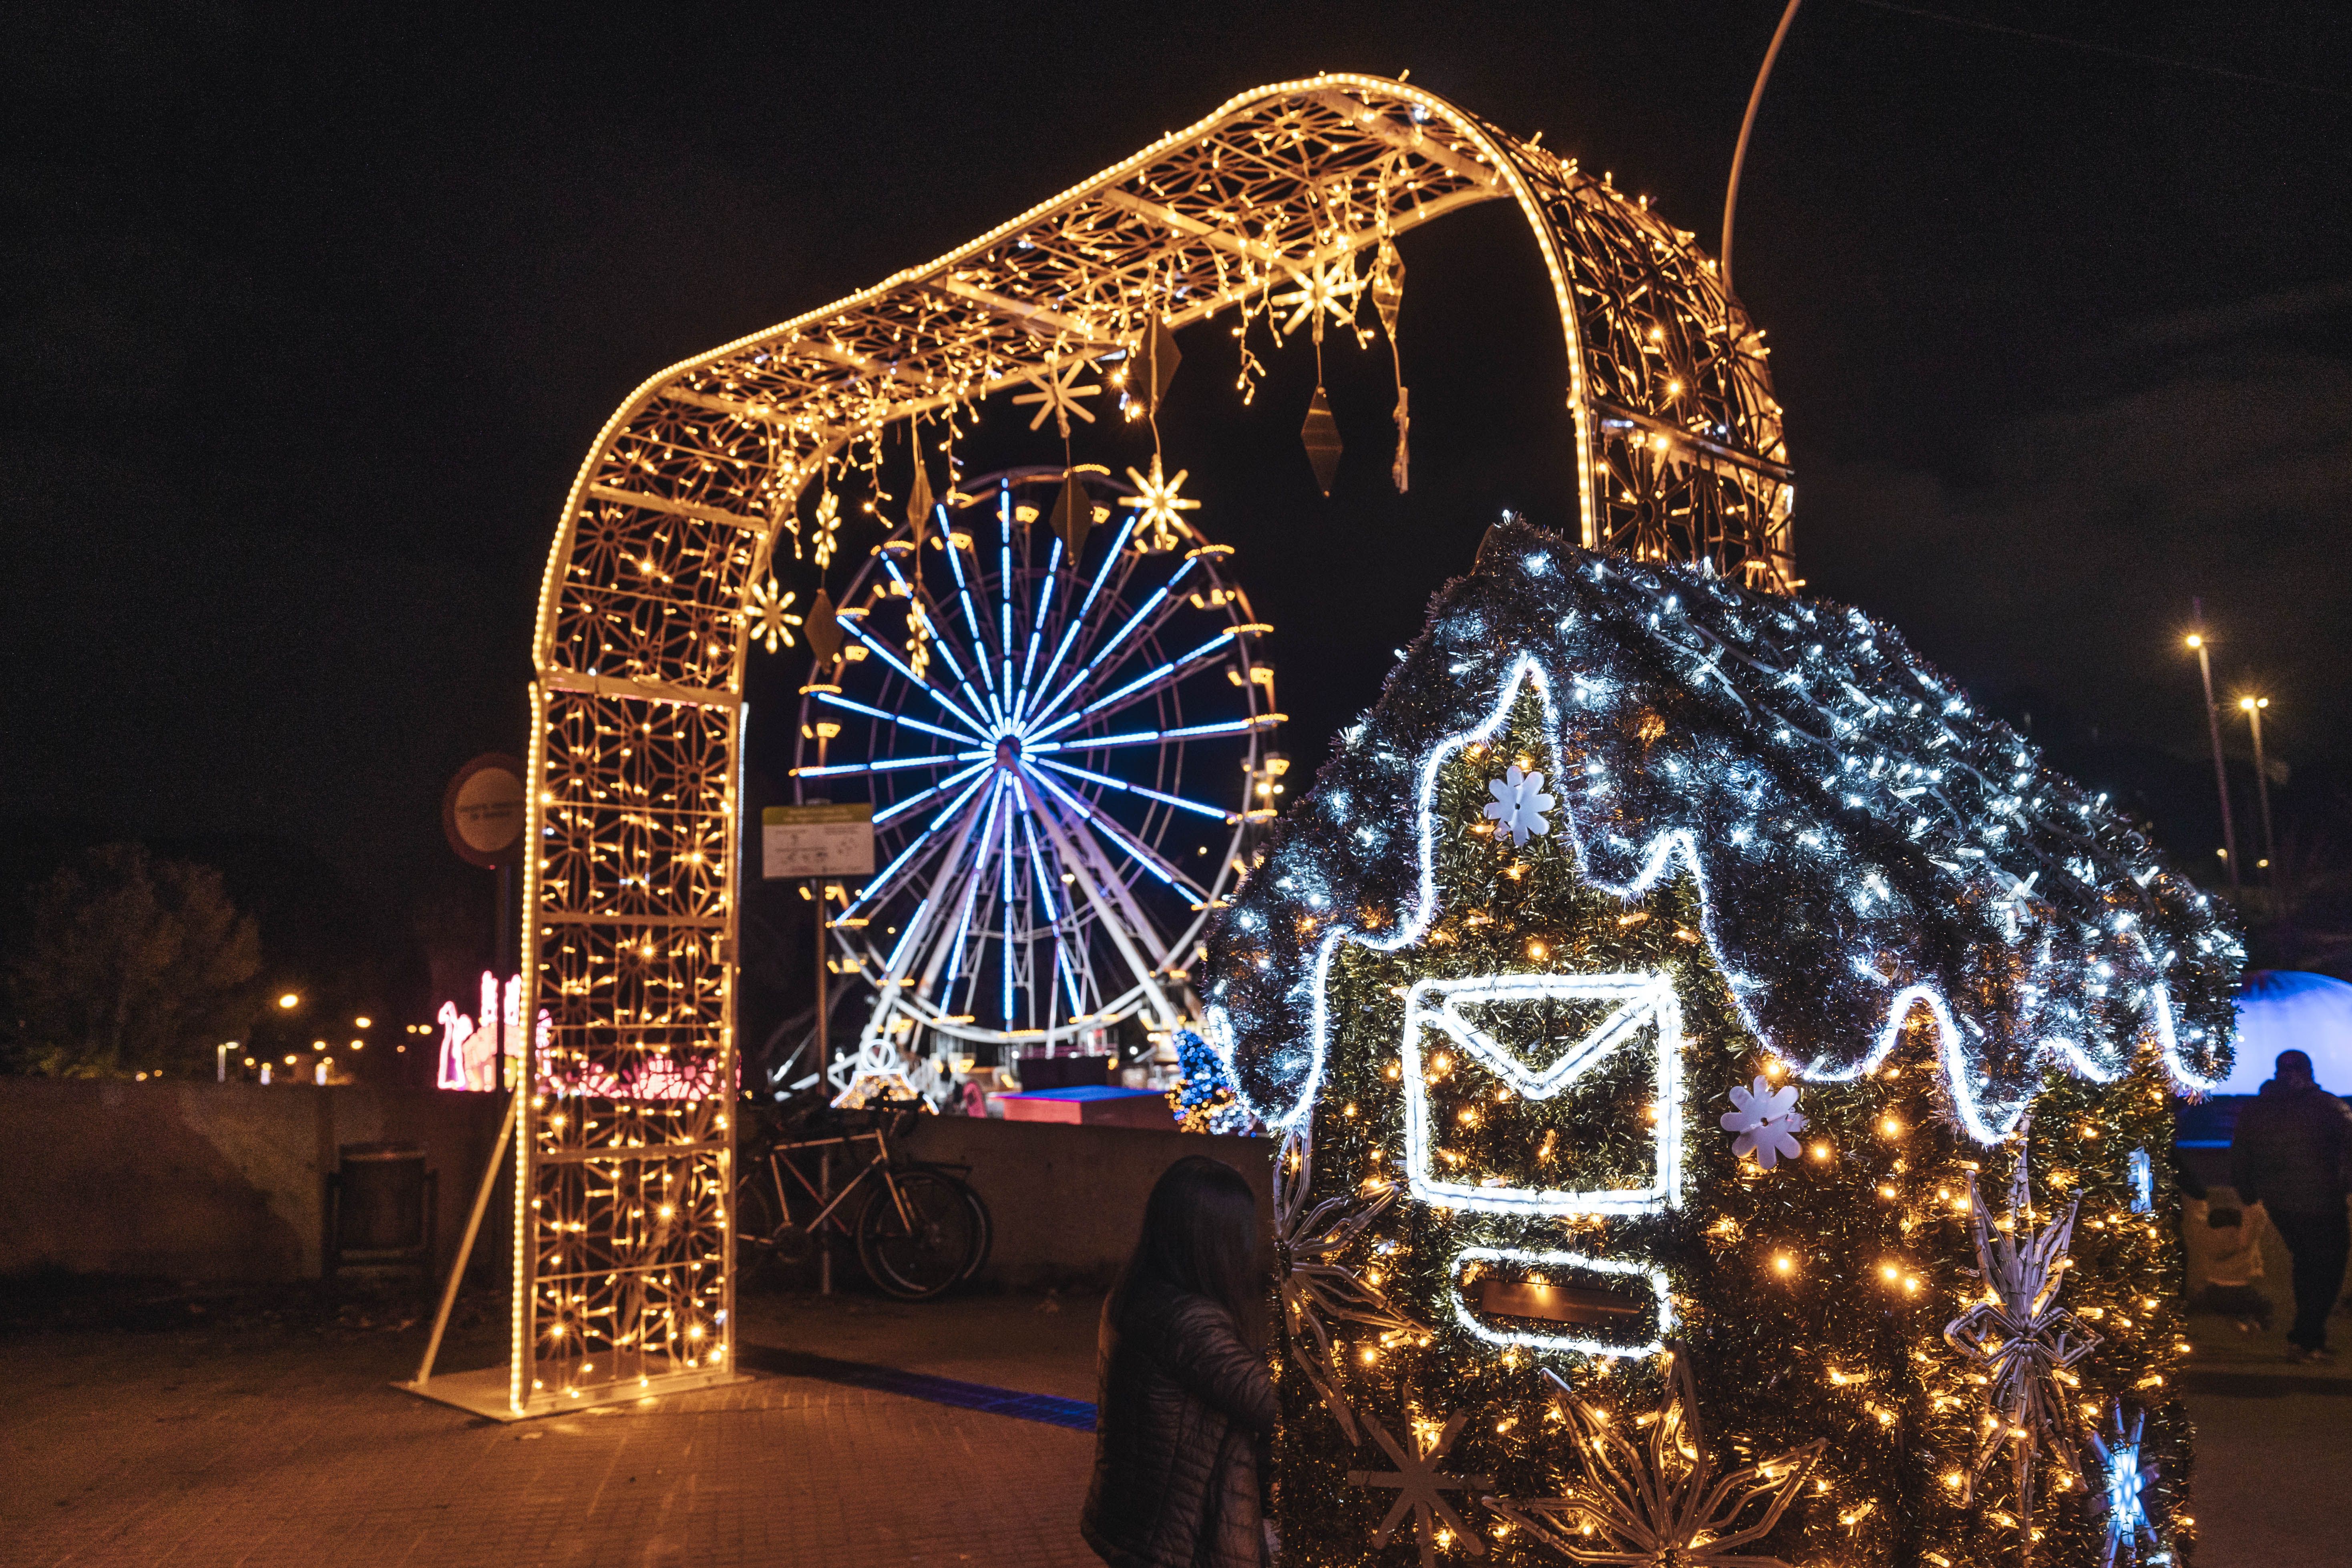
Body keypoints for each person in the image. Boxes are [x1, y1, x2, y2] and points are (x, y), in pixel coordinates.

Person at [1083, 1154, 1276, 1568]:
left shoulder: (1136, 1294)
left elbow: (1227, 1373)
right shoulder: (1189, 1322)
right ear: (1214, 1240)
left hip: (1137, 1521)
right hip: (1174, 1540)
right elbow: (1272, 1404)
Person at [2228, 1048, 2352, 1362]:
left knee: (2306, 1263)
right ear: (2309, 1071)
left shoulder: (2256, 1109)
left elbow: (2241, 1153)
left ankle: (2306, 1338)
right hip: (2324, 1202)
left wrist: (2248, 1194)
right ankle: (2307, 1339)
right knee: (2327, 1270)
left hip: (2280, 1202)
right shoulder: (2331, 1108)